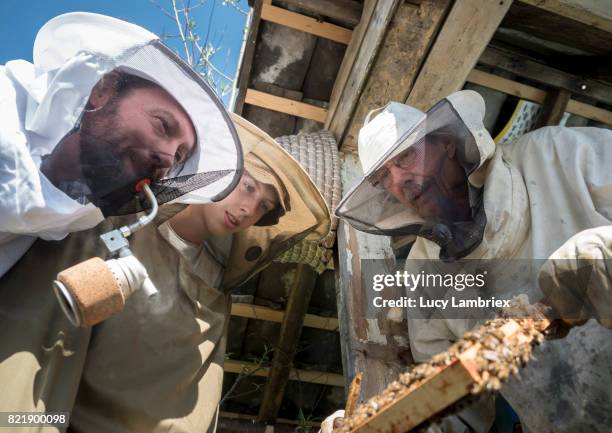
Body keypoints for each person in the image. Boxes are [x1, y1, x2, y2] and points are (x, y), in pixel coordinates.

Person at [0, 113, 330, 433]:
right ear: (222, 173)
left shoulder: (215, 289)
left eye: (265, 205)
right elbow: (47, 345)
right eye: (247, 186)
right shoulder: (119, 231)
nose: (249, 209)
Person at [335, 90, 612, 433]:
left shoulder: (556, 155)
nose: (398, 181)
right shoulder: (425, 277)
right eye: (382, 178)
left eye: (405, 156)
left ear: (446, 143)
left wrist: (606, 249)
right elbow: (457, 413)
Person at [0, 12, 242, 278]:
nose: (168, 158)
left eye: (179, 156)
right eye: (163, 125)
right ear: (102, 90)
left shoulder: (75, 219)